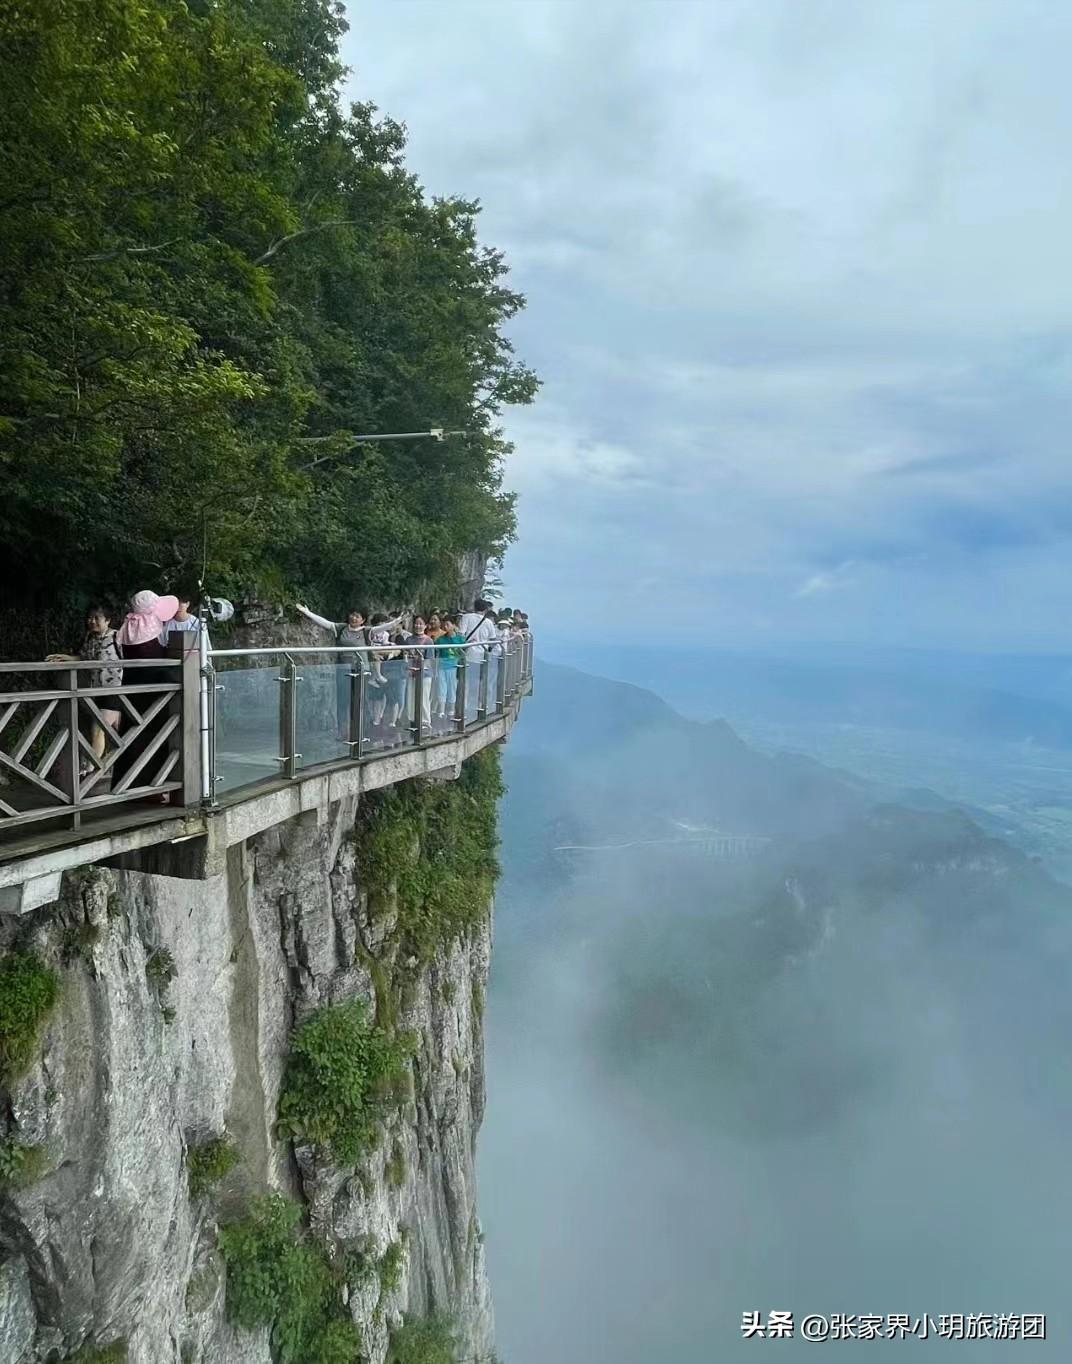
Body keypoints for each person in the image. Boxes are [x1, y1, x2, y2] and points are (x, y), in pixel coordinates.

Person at [295, 601, 402, 738]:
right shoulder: (341, 629)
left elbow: (383, 628)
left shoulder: (366, 631)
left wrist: (397, 621)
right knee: (342, 702)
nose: (354, 618)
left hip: (361, 670)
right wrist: (307, 612)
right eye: (352, 615)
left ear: (363, 620)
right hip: (343, 670)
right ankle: (342, 732)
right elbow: (325, 623)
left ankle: (359, 732)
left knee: (358, 701)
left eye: (357, 616)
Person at [112, 590, 179, 800]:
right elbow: (158, 665)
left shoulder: (127, 627)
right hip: (155, 696)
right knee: (155, 740)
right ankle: (154, 788)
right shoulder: (151, 627)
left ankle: (126, 786)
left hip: (131, 692)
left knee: (131, 738)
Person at [46, 603, 123, 777]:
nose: (92, 621)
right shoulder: (90, 638)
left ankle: (91, 770)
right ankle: (106, 769)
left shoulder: (118, 637)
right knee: (112, 732)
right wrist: (66, 658)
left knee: (98, 728)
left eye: (97, 618)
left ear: (108, 620)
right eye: (90, 617)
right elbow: (84, 658)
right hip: (95, 690)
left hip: (115, 690)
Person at [405, 615, 434, 733]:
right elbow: (405, 655)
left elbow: (429, 659)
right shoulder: (409, 640)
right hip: (411, 672)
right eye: (416, 623)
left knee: (423, 698)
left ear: (425, 625)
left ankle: (425, 721)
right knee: (411, 697)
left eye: (421, 623)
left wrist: (422, 668)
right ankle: (412, 720)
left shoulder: (428, 641)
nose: (418, 626)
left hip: (424, 674)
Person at [434, 615, 465, 723]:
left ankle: (451, 710)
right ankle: (441, 711)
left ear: (454, 625)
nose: (445, 627)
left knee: (452, 688)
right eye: (444, 625)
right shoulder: (440, 639)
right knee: (442, 688)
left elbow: (463, 651)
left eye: (448, 624)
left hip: (454, 667)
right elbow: (436, 653)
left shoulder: (460, 639)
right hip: (442, 666)